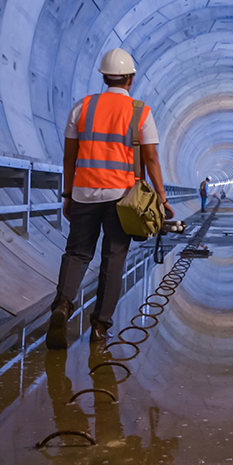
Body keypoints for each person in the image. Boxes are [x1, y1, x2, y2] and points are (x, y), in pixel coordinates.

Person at [48, 48, 174, 349]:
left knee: (77, 254)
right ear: (130, 79)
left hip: (83, 193)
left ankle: (62, 306)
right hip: (122, 199)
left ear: (104, 77)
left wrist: (67, 194)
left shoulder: (82, 108)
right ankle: (99, 328)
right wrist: (161, 197)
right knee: (113, 261)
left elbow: (69, 157)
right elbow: (152, 158)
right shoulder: (140, 111)